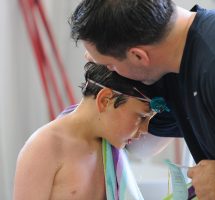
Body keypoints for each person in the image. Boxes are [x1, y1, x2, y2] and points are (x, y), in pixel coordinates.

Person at [69, 0, 215, 199]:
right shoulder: (173, 62)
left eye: (110, 65)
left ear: (139, 55)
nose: (112, 71)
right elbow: (140, 145)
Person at [12, 62, 166, 200]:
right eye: (141, 117)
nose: (145, 129)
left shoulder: (109, 145)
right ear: (105, 100)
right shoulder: (44, 147)